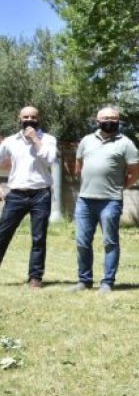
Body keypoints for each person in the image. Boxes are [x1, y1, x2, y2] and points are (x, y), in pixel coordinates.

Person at [70, 106, 139, 293]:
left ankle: (107, 282)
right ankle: (84, 281)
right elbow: (78, 166)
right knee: (82, 242)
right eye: (105, 118)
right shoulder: (86, 141)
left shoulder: (126, 143)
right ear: (97, 121)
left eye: (114, 118)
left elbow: (135, 172)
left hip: (111, 201)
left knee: (110, 242)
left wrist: (120, 187)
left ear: (119, 121)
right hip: (85, 200)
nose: (110, 121)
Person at [0, 106, 58, 289]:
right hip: (16, 195)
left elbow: (50, 159)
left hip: (41, 194)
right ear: (19, 118)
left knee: (39, 238)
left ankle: (35, 277)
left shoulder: (48, 139)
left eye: (33, 117)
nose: (29, 119)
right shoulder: (10, 141)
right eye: (26, 116)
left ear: (38, 118)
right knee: (2, 234)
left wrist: (35, 139)